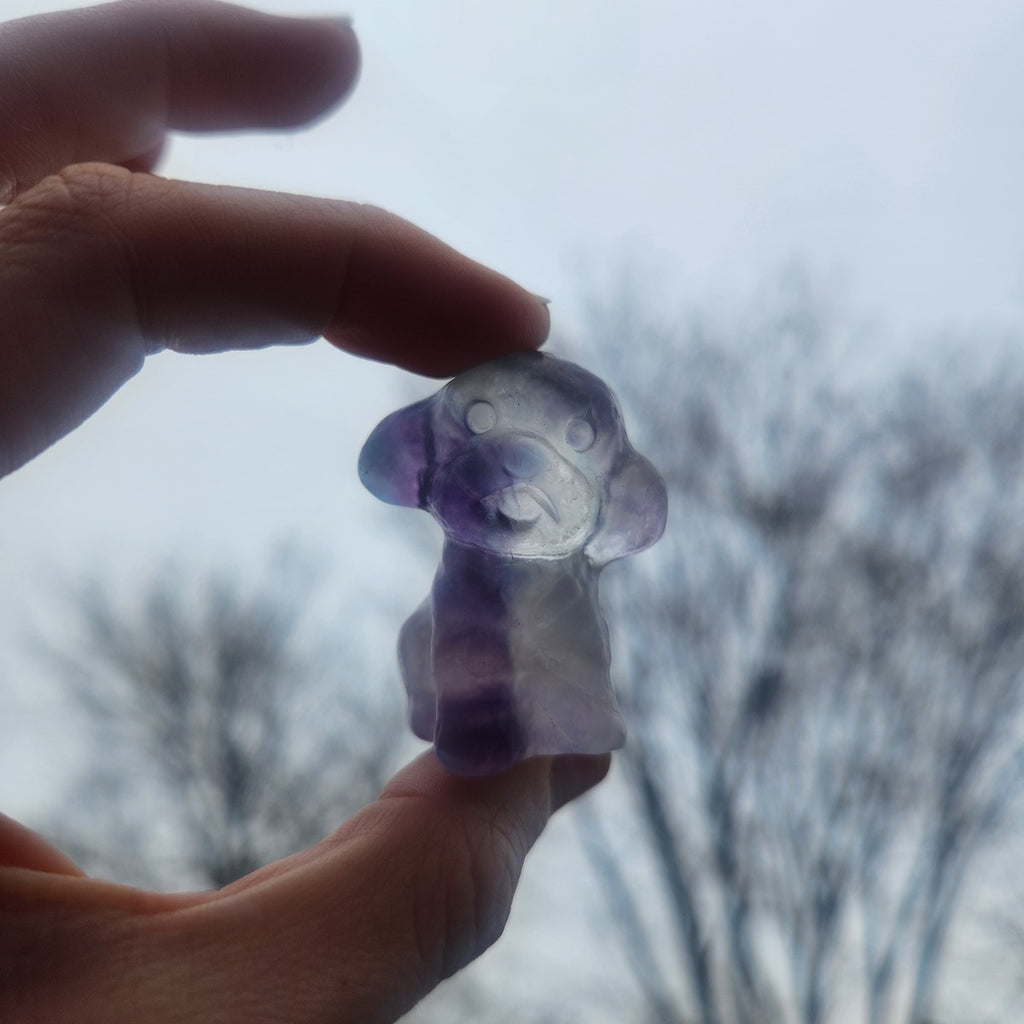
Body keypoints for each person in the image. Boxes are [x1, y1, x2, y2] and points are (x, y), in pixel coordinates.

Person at [0, 2, 610, 1020]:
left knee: (539, 659)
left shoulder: (579, 557)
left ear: (622, 499)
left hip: (553, 651)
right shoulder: (443, 524)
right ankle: (477, 710)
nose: (521, 464)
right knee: (448, 648)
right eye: (482, 426)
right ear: (421, 462)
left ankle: (521, 708)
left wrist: (565, 694)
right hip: (470, 670)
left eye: (576, 443)